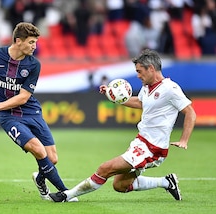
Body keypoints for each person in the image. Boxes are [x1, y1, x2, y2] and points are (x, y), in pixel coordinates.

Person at [49, 49, 196, 202]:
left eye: (140, 71)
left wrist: (184, 139)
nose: (138, 75)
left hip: (153, 149)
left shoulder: (170, 89)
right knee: (120, 185)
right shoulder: (147, 87)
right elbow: (140, 103)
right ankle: (166, 182)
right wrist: (113, 96)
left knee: (105, 168)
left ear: (151, 68)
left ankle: (66, 195)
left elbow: (190, 112)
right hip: (141, 141)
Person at [0, 22, 77, 201]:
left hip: (30, 111)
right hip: (8, 116)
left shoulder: (34, 64)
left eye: (35, 42)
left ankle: (40, 179)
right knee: (38, 149)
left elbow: (23, 97)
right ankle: (66, 192)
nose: (35, 46)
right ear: (18, 41)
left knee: (52, 158)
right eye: (31, 42)